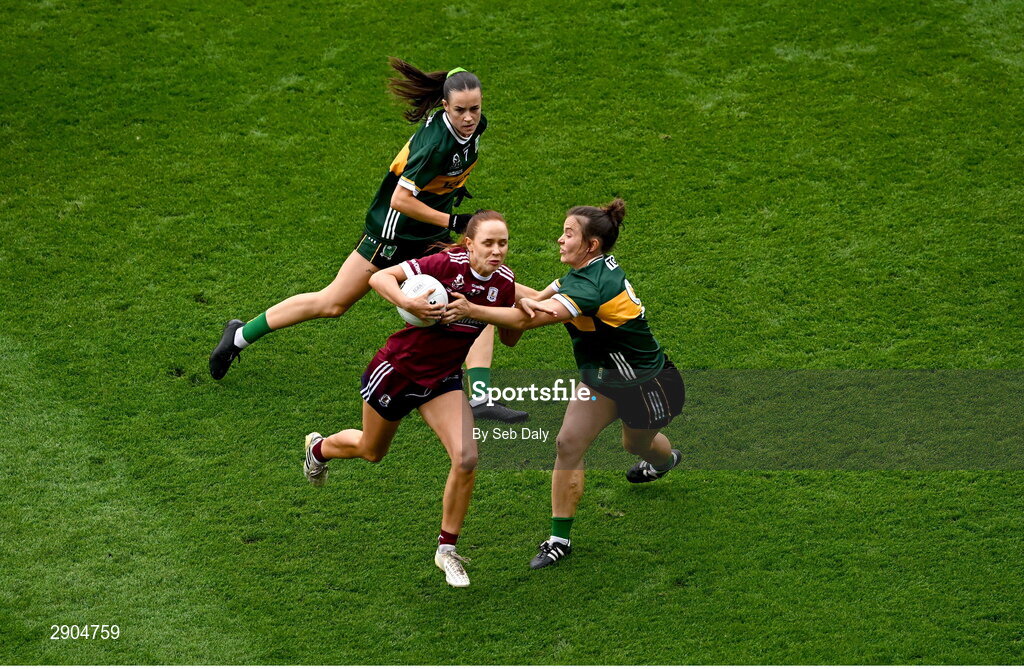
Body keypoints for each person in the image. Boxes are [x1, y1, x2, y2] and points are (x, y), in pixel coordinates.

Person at [208, 58, 527, 423]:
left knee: (472, 296)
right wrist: (455, 220)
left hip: (431, 234)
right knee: (332, 303)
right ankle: (238, 336)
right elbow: (400, 200)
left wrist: (454, 193)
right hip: (391, 232)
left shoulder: (474, 128)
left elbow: (453, 170)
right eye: (460, 111)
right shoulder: (434, 142)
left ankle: (480, 398)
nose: (469, 117)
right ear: (444, 107)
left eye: (475, 108)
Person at [442, 198, 685, 569]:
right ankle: (559, 539)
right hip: (601, 381)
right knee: (567, 443)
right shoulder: (582, 273)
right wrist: (496, 283)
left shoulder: (593, 287)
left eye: (568, 234)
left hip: (646, 386)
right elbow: (538, 299)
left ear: (591, 245)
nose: (559, 240)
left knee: (636, 443)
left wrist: (472, 308)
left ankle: (665, 461)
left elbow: (529, 320)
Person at [303, 211, 520, 587]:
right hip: (397, 371)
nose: (497, 251)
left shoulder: (504, 283)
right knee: (372, 451)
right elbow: (379, 276)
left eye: (503, 243)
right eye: (488, 243)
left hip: (443, 380)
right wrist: (412, 303)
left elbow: (511, 333)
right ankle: (319, 449)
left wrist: (507, 316)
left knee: (467, 457)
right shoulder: (443, 264)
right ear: (469, 244)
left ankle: (447, 551)